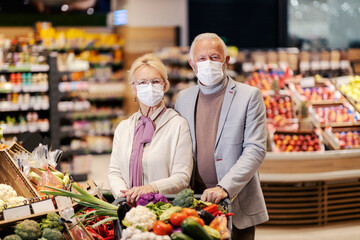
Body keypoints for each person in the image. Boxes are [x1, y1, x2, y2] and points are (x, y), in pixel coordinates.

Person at [175, 33, 268, 240]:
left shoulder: (250, 96)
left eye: (215, 57)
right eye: (201, 58)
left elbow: (256, 149)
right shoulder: (183, 98)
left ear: (226, 61)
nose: (208, 63)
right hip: (194, 202)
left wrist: (224, 187)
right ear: (192, 64)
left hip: (236, 201)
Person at [108, 53, 193, 205]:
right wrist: (124, 197)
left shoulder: (178, 125)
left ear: (165, 86)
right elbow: (114, 172)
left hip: (163, 212)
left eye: (155, 81)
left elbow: (182, 177)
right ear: (133, 88)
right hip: (128, 209)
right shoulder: (124, 128)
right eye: (142, 82)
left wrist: (150, 188)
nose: (149, 87)